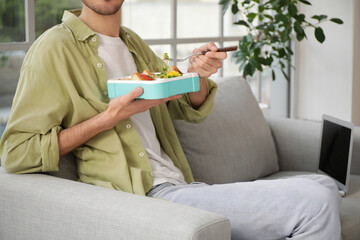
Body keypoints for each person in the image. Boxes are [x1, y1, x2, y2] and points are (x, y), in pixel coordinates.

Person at [0, 0, 341, 239]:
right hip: (145, 198)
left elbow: (182, 105)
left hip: (182, 187)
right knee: (316, 202)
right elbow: (16, 153)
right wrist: (108, 118)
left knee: (325, 185)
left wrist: (196, 73)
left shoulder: (132, 42)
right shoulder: (53, 48)